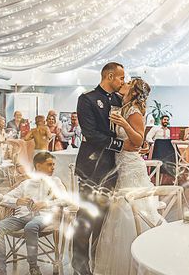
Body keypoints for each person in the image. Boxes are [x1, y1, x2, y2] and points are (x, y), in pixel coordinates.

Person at [94, 78, 162, 275]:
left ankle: (142, 253)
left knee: (133, 207)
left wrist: (124, 123)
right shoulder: (123, 106)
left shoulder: (133, 111)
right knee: (121, 210)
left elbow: (139, 140)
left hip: (131, 165)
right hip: (120, 162)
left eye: (129, 82)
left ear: (133, 90)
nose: (125, 83)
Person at [73, 62, 126, 275]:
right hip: (92, 166)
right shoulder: (87, 99)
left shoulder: (118, 100)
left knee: (103, 218)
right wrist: (120, 145)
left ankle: (96, 260)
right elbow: (91, 133)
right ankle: (79, 265)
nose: (123, 82)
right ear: (110, 76)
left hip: (112, 167)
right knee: (86, 216)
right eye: (121, 78)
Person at [0, 152, 66, 275]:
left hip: (43, 217)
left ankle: (33, 267)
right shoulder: (25, 184)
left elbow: (65, 199)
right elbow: (4, 199)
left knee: (31, 226)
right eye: (49, 164)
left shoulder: (55, 181)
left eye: (54, 164)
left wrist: (45, 203)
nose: (53, 167)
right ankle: (1, 271)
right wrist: (17, 201)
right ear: (38, 166)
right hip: (21, 217)